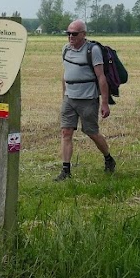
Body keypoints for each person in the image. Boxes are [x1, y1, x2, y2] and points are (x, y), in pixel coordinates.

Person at [57, 20, 115, 180]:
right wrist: (64, 97)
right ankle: (66, 171)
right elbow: (65, 74)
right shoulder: (65, 50)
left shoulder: (93, 50)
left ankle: (108, 158)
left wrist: (104, 103)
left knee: (92, 132)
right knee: (66, 132)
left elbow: (101, 77)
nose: (70, 36)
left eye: (74, 34)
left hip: (88, 99)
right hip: (70, 98)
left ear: (83, 34)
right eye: (68, 33)